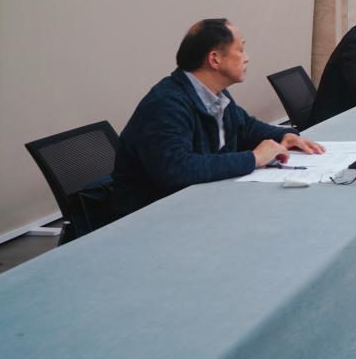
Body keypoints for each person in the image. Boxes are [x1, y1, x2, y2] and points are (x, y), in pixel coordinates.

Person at [111, 19, 326, 216]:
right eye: (240, 49)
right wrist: (254, 158)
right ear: (215, 58)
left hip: (206, 204)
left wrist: (284, 136)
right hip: (155, 216)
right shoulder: (166, 103)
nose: (247, 57)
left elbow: (245, 127)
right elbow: (176, 170)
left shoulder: (214, 93)